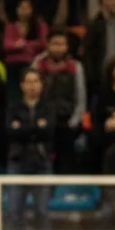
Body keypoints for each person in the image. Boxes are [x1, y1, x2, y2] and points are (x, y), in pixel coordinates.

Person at [5, 69, 56, 230]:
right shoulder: (13, 107)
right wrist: (36, 128)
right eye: (29, 81)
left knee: (42, 211)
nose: (32, 86)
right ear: (22, 85)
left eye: (36, 81)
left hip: (41, 161)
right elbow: (10, 132)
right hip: (18, 161)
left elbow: (49, 132)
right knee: (13, 211)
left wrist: (22, 128)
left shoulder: (48, 107)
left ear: (41, 85)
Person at [31, 30, 87, 174]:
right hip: (42, 119)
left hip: (66, 120)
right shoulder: (38, 65)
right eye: (55, 44)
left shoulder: (75, 67)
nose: (58, 48)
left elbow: (80, 98)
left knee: (66, 162)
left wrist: (73, 122)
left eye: (62, 44)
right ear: (47, 45)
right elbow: (30, 93)